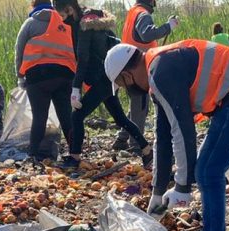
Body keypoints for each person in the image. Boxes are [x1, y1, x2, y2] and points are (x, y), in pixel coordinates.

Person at [105, 40, 229, 231]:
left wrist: (183, 187)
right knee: (206, 170)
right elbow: (163, 136)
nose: (128, 90)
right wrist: (158, 191)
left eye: (122, 84)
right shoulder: (157, 71)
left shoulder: (161, 71)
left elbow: (183, 130)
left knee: (209, 172)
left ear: (126, 76)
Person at [68, 8, 150, 169]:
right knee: (120, 119)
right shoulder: (105, 28)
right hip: (112, 78)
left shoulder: (85, 29)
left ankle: (74, 157)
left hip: (102, 80)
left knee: (77, 116)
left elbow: (83, 59)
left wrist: (76, 87)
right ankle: (147, 150)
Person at [15, 0, 80, 162]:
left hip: (38, 78)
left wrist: (20, 77)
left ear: (33, 6)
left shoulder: (30, 24)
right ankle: (75, 152)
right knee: (65, 115)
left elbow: (19, 51)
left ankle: (33, 155)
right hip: (65, 76)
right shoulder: (64, 23)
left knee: (39, 116)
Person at [116, 0, 178, 152]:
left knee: (137, 105)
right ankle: (135, 145)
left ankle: (122, 138)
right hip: (139, 69)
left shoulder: (133, 13)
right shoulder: (143, 14)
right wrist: (168, 26)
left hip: (129, 67)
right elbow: (147, 35)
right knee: (141, 106)